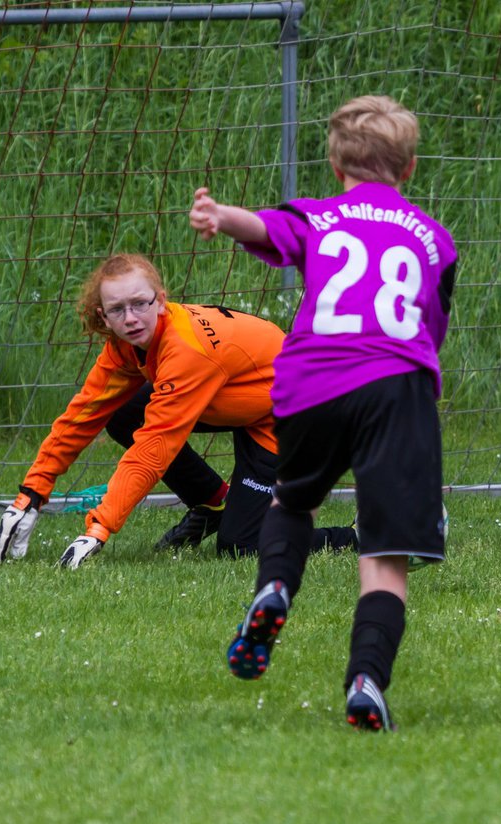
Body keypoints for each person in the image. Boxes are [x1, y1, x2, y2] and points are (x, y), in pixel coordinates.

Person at [190, 94, 457, 731]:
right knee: (385, 552)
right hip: (395, 385)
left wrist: (222, 215)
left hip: (310, 382)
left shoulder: (319, 218)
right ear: (410, 168)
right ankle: (366, 681)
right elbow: (430, 327)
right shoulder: (434, 240)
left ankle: (276, 588)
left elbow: (267, 229)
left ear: (336, 168)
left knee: (293, 502)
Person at [0, 253, 355, 567]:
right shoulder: (124, 346)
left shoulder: (186, 350)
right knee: (121, 413)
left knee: (241, 546)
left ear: (161, 300)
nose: (131, 318)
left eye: (140, 304)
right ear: (104, 317)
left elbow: (155, 446)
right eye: (118, 310)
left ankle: (356, 536)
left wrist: (98, 529)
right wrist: (33, 492)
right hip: (238, 400)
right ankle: (213, 503)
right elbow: (83, 415)